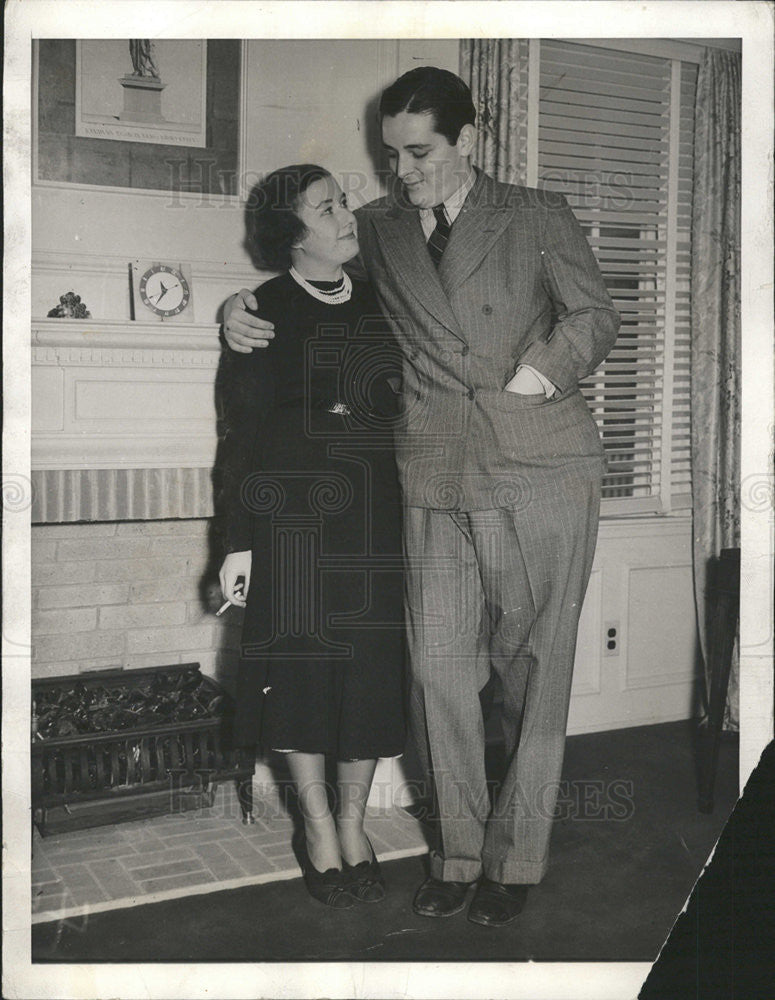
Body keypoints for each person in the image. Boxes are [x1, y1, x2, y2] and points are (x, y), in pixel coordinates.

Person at [223, 67, 620, 927]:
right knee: (437, 675)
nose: (402, 171)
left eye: (420, 152)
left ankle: (514, 860)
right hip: (432, 476)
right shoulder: (379, 227)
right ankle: (455, 853)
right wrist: (236, 309)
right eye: (391, 155)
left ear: (464, 140)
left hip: (540, 466)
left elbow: (594, 316)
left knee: (533, 675)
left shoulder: (535, 215)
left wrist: (536, 375)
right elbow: (299, 258)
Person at [218, 164, 405, 909]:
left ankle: (355, 824)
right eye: (325, 207)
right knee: (297, 676)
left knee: (367, 675)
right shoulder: (259, 310)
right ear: (290, 234)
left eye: (341, 201)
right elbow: (240, 436)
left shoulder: (381, 300)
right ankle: (318, 829)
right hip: (289, 518)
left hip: (374, 517)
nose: (344, 213)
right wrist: (238, 541)